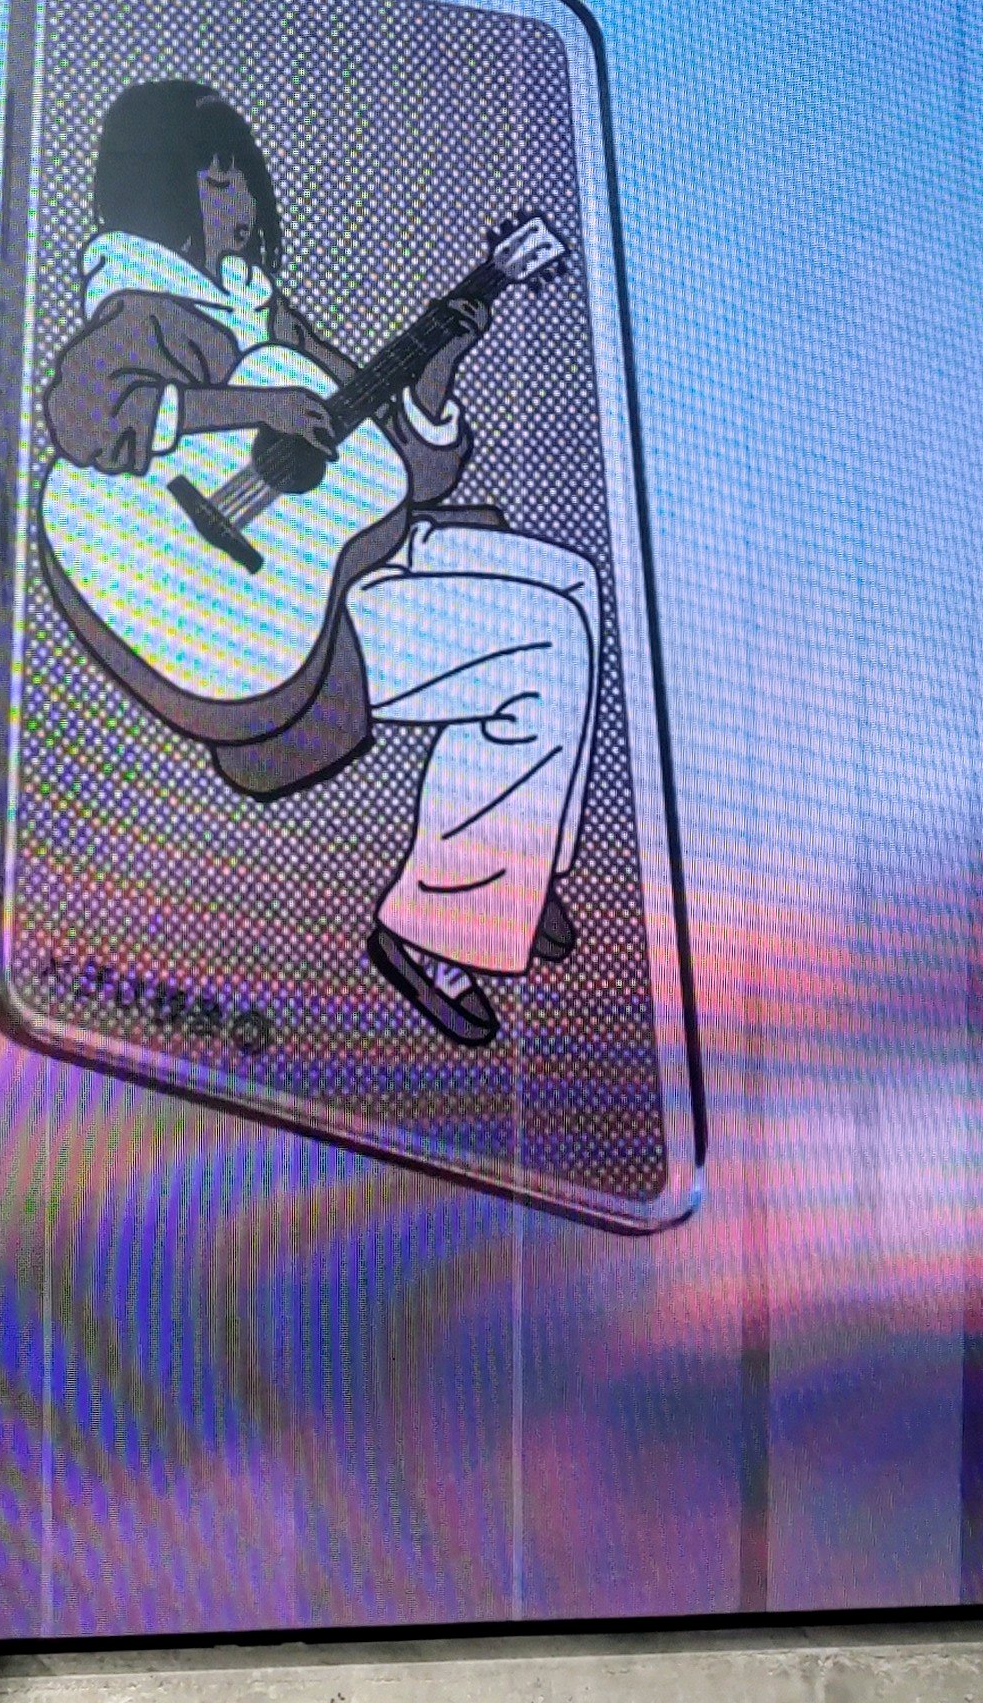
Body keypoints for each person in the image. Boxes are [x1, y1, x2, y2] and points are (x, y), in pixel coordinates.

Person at [40, 78, 596, 1053]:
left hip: (344, 554)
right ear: (162, 193)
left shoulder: (266, 314)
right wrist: (251, 410)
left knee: (571, 581)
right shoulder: (144, 306)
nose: (242, 207)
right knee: (545, 646)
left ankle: (520, 858)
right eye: (217, 184)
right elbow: (85, 415)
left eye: (243, 184)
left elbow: (399, 472)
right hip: (271, 611)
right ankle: (434, 932)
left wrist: (436, 367)